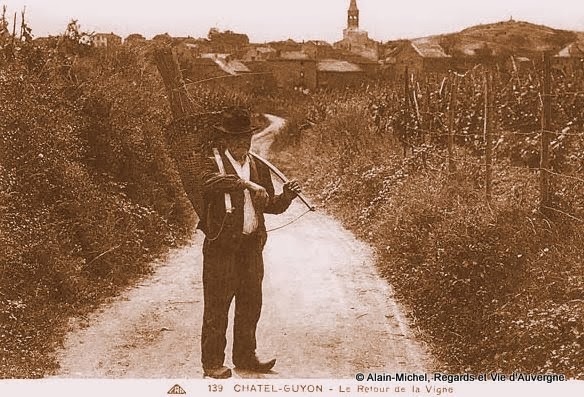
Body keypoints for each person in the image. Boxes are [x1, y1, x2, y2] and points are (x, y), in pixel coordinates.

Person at [198, 107, 301, 379]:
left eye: (246, 137)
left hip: (250, 247)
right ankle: (212, 363)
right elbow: (209, 184)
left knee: (250, 303)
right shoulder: (213, 162)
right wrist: (246, 184)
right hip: (221, 247)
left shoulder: (256, 164)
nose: (243, 142)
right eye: (236, 137)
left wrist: (286, 197)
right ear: (225, 140)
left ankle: (245, 356)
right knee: (218, 305)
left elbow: (270, 206)